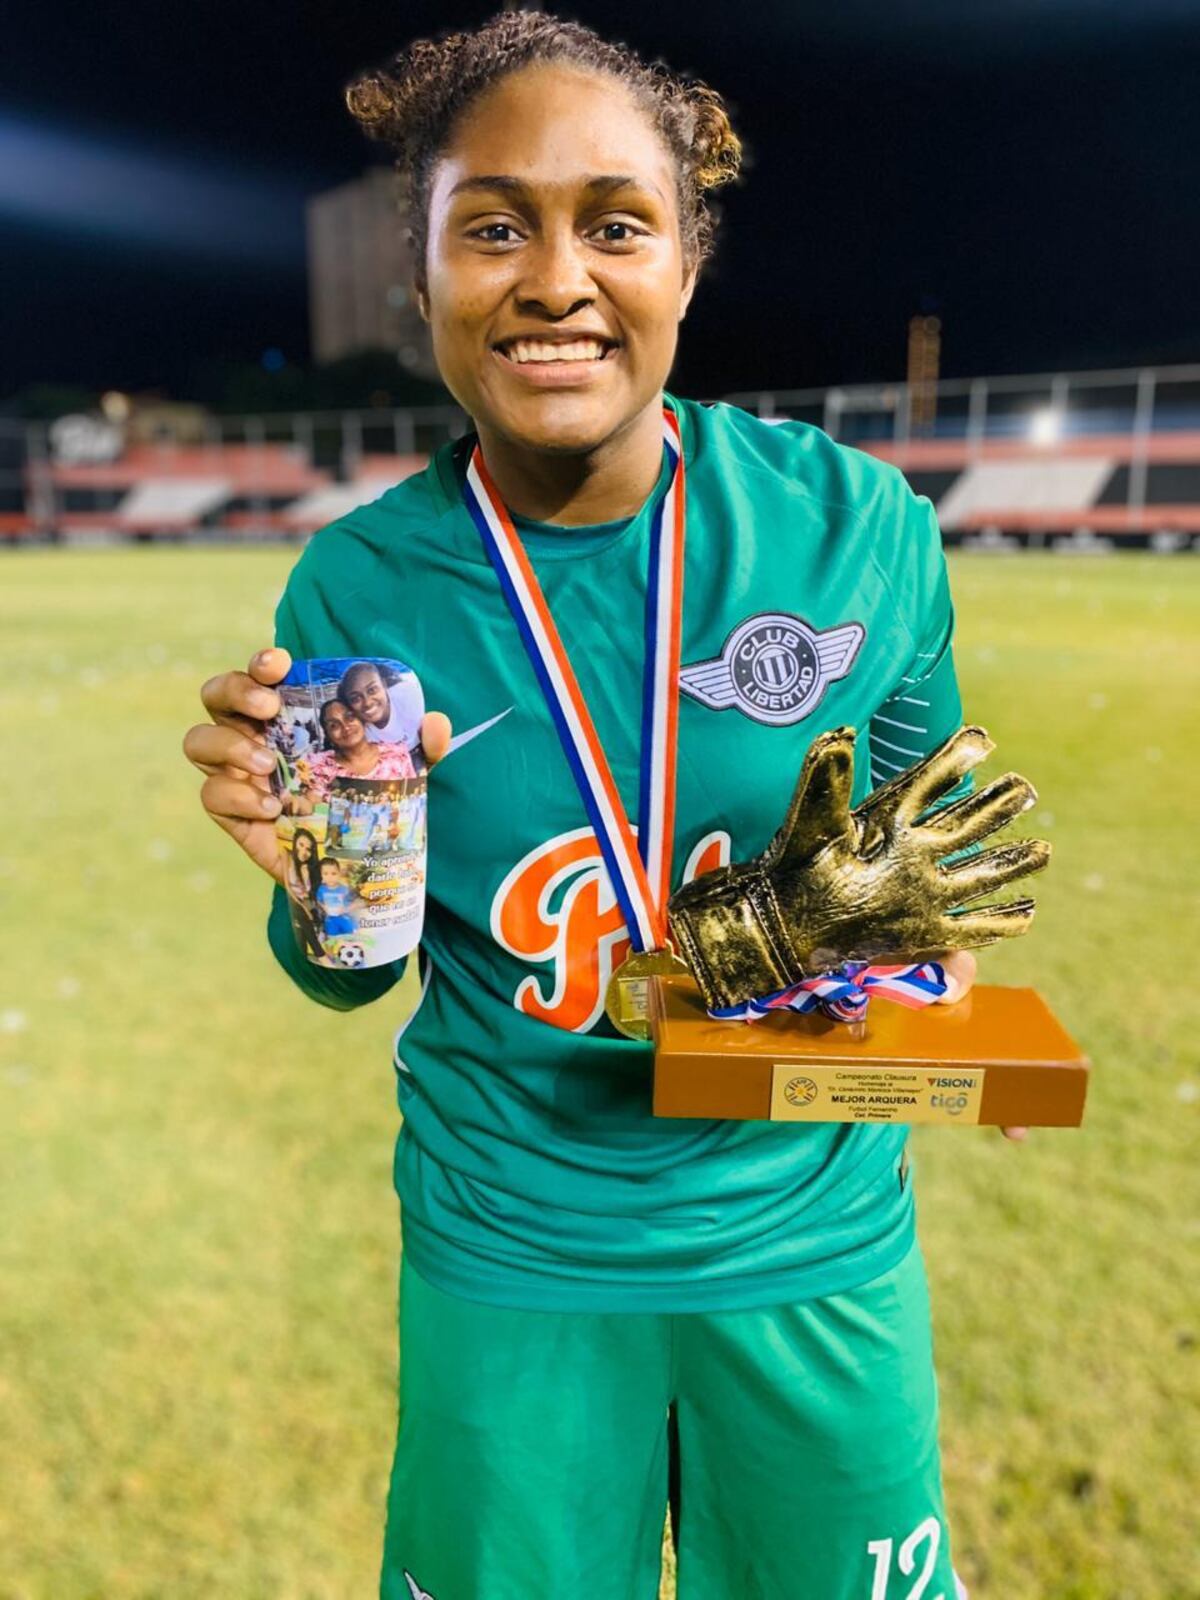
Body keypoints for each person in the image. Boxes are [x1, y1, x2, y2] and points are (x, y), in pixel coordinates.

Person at [183, 13, 1030, 1598]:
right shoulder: (363, 579)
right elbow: (351, 970)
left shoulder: (853, 529)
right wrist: (307, 880)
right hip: (512, 1256)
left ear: (687, 265)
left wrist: (804, 944)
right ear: (420, 276)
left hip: (808, 1254)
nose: (556, 279)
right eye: (491, 226)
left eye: (616, 224)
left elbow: (942, 943)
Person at [339, 661, 424, 752]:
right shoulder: (359, 731)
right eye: (356, 699)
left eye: (372, 690)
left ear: (384, 685)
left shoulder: (408, 695)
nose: (367, 703)